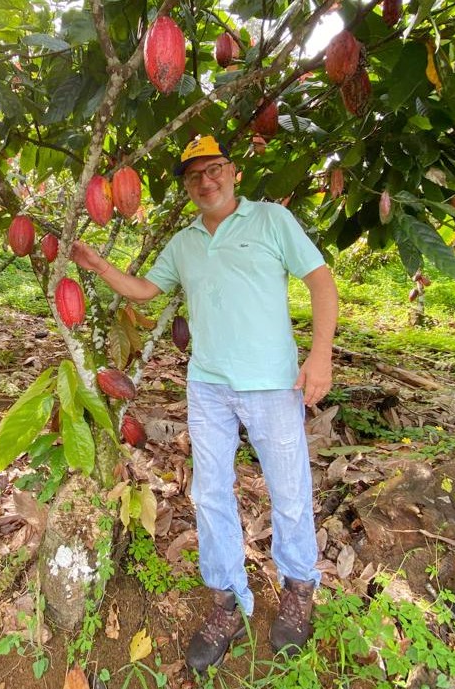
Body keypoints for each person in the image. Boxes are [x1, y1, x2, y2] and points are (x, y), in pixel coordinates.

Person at [70, 135, 338, 672]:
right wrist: (100, 268)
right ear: (188, 187)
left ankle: (299, 587)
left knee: (289, 491)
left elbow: (320, 281)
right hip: (208, 386)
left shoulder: (270, 221)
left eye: (214, 169)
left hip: (272, 384)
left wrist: (321, 355)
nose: (206, 181)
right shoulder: (185, 241)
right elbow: (147, 290)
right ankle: (226, 602)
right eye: (194, 176)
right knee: (211, 493)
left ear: (232, 171)